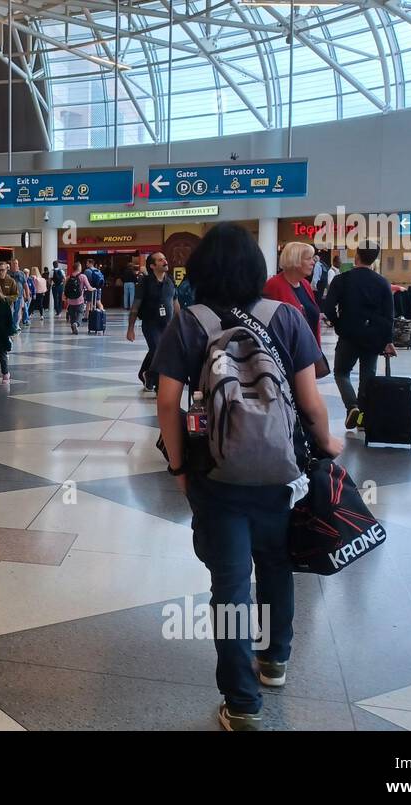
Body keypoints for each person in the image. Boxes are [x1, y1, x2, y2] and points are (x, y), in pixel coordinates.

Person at [153, 223, 342, 731]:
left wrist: (178, 467)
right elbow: (310, 402)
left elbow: (167, 402)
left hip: (216, 472)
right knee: (276, 564)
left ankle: (241, 704)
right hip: (280, 472)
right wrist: (328, 444)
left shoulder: (189, 321)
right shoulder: (286, 316)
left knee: (230, 582)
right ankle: (274, 659)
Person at [322, 242, 396, 431]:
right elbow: (389, 316)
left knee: (341, 372)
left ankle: (352, 406)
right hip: (373, 338)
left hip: (348, 335)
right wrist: (388, 341)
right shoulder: (382, 282)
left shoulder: (342, 280)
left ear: (356, 256)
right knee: (367, 378)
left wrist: (338, 323)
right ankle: (362, 420)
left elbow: (328, 308)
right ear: (375, 259)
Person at [126, 252, 175, 392]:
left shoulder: (170, 281)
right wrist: (130, 329)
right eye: (160, 260)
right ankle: (159, 386)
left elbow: (175, 302)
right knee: (158, 351)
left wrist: (180, 323)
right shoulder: (145, 282)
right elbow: (135, 306)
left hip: (167, 325)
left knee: (156, 351)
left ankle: (146, 374)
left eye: (165, 258)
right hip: (150, 324)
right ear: (152, 266)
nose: (165, 261)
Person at [264, 242, 324, 345]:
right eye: (308, 258)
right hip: (286, 350)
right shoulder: (273, 286)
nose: (313, 262)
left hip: (309, 349)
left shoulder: (305, 284)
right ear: (295, 260)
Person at [63, 262, 93, 335]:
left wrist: (64, 297)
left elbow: (65, 289)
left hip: (70, 301)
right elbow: (89, 288)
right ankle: (76, 324)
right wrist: (93, 288)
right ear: (79, 268)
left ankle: (73, 328)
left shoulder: (68, 277)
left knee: (72, 315)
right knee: (80, 313)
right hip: (79, 300)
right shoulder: (83, 276)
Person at [9, 259, 28, 331]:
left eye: (16, 263)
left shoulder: (21, 274)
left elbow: (25, 285)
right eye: (13, 263)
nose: (15, 265)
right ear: (11, 265)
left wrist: (27, 294)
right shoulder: (7, 273)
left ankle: (15, 325)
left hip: (19, 296)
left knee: (17, 311)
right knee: (10, 311)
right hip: (10, 296)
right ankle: (10, 325)